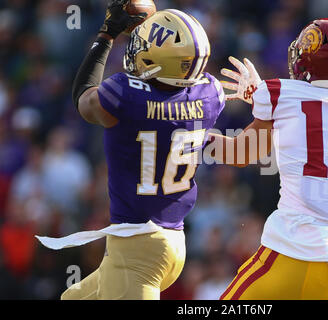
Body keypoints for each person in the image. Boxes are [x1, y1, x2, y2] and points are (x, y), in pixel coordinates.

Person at [36, 1, 225, 300]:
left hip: (137, 249)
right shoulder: (210, 94)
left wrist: (107, 35)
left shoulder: (124, 93)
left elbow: (84, 99)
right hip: (173, 242)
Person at [209, 18, 328, 299]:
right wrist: (261, 98)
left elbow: (240, 154)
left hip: (292, 253)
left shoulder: (279, 93)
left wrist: (193, 139)